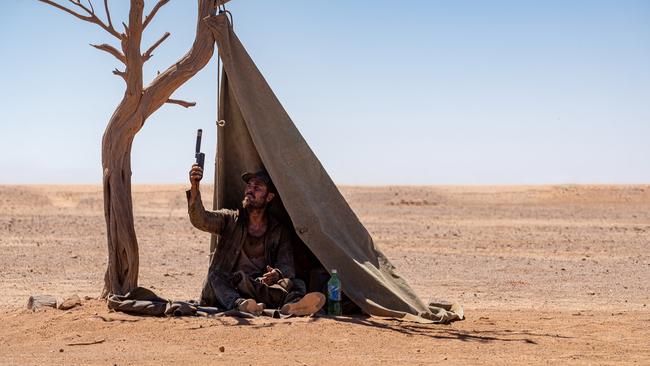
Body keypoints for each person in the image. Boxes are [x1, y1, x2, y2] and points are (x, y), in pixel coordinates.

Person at [186, 164, 325, 316]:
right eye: (249, 186)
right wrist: (195, 188)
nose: (250, 190)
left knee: (297, 283)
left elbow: (287, 267)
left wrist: (276, 275)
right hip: (232, 286)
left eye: (257, 187)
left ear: (269, 197)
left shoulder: (278, 230)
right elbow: (201, 219)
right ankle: (240, 305)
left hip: (258, 287)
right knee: (215, 275)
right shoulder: (230, 219)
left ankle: (293, 306)